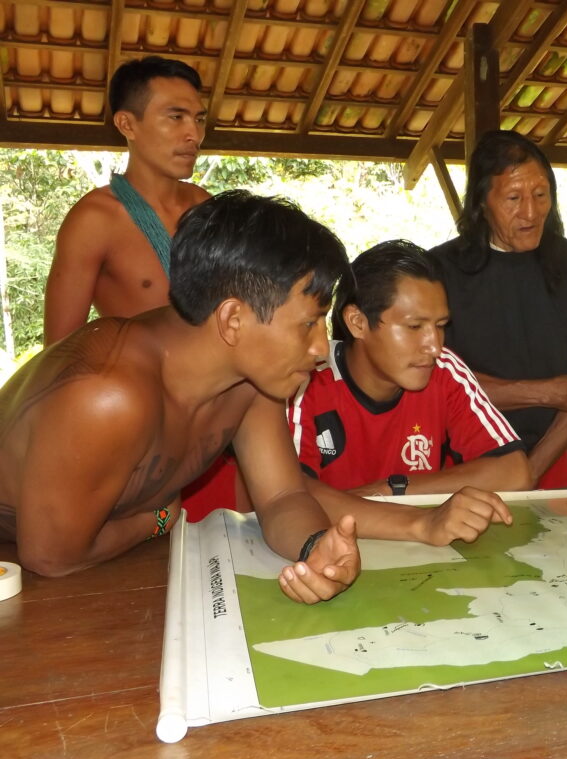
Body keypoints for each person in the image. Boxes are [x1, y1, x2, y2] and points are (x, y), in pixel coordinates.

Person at [2, 191, 362, 603]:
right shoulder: (106, 394)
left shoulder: (252, 379)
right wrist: (159, 518)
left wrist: (316, 548)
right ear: (232, 319)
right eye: (309, 323)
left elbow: (283, 496)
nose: (322, 347)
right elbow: (50, 556)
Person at [429, 130, 567, 489]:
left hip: (547, 458)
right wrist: (549, 391)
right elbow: (437, 387)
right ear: (482, 201)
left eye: (541, 195)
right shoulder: (439, 270)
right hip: (460, 463)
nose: (531, 212)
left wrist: (529, 473)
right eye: (514, 197)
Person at [292, 239, 532, 497]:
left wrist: (392, 489)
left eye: (440, 326)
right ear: (357, 322)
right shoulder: (304, 379)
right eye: (414, 327)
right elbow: (292, 499)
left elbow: (515, 471)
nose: (434, 347)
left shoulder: (444, 370)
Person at [44, 55, 210, 344]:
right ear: (127, 125)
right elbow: (59, 351)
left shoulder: (206, 207)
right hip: (144, 385)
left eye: (199, 119)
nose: (193, 134)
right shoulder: (95, 220)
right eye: (176, 117)